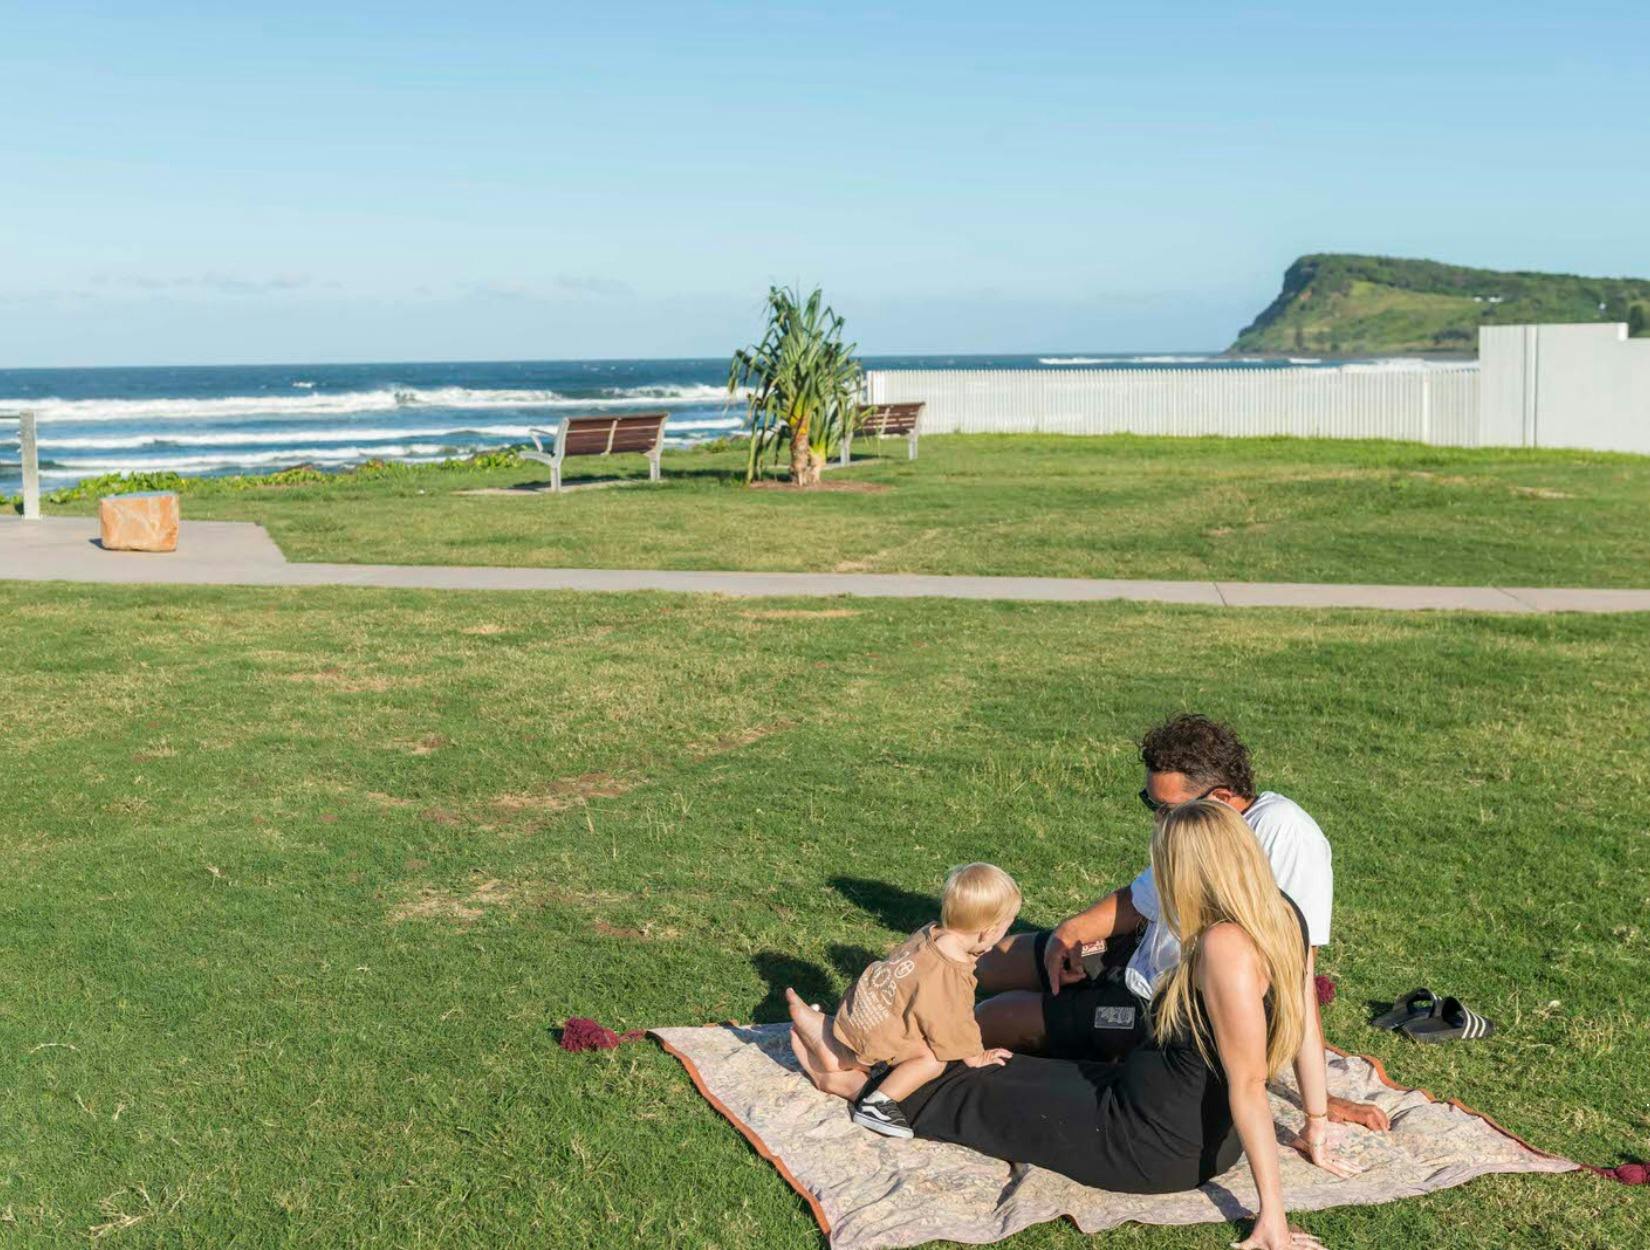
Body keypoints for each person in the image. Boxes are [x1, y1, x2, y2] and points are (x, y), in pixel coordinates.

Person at [892, 801, 1355, 1249]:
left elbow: (1250, 1082)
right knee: (1007, 1069)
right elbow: (1305, 1021)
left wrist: (1272, 1217)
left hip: (1145, 1140)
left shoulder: (1223, 946)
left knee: (963, 1091)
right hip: (1172, 1116)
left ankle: (859, 1074)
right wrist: (1315, 1121)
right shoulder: (1283, 912)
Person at [973, 713, 1389, 1134]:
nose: (1157, 820)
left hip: (1155, 1007)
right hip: (1137, 952)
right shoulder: (1195, 829)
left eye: (1165, 809)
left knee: (989, 1019)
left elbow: (1298, 973)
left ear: (1222, 797)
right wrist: (1071, 933)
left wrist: (1318, 1105)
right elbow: (1141, 901)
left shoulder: (1287, 838)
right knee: (990, 962)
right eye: (1149, 803)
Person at [786, 863, 1021, 1139]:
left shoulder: (930, 934)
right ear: (988, 932)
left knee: (901, 1021)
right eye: (1007, 926)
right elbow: (952, 1023)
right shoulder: (950, 971)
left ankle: (833, 1041)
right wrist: (975, 1055)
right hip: (880, 1035)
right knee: (933, 1057)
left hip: (861, 1009)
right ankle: (878, 1103)